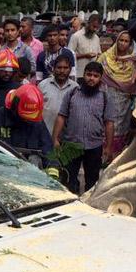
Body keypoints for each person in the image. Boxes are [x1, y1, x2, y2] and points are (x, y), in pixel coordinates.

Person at [52, 61, 113, 194]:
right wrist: (55, 139)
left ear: (100, 78)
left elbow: (109, 123)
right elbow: (61, 116)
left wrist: (108, 147)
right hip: (71, 144)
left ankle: (88, 209)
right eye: (89, 74)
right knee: (68, 181)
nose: (91, 78)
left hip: (94, 146)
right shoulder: (72, 93)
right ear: (84, 75)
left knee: (92, 183)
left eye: (95, 76)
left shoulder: (104, 97)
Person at [0, 83, 54, 170]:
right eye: (25, 118)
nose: (28, 121)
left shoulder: (35, 120)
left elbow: (47, 149)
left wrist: (53, 169)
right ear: (14, 109)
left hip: (31, 176)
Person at [98, 30, 136, 156]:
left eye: (126, 41)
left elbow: (132, 80)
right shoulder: (106, 58)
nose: (123, 43)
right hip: (107, 96)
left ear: (130, 44)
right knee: (107, 123)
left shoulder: (133, 60)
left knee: (122, 126)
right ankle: (104, 153)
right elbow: (96, 74)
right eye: (121, 40)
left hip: (124, 100)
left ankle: (116, 154)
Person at [38, 53, 77, 133]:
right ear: (53, 69)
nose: (62, 71)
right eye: (59, 67)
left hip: (66, 136)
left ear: (70, 69)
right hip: (44, 133)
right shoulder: (42, 85)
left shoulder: (75, 88)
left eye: (65, 68)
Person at [70, 14, 102, 79]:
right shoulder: (76, 36)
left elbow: (99, 54)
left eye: (97, 28)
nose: (95, 29)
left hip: (92, 76)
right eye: (94, 26)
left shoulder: (96, 38)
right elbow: (69, 55)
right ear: (88, 23)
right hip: (79, 75)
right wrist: (84, 55)